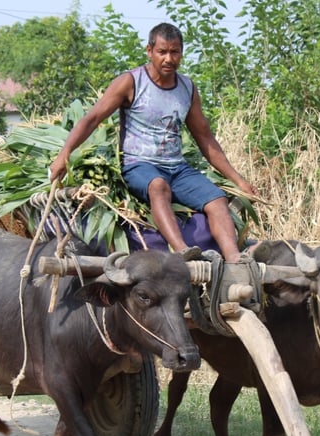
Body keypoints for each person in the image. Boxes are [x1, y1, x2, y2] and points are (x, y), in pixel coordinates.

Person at [49, 22, 258, 262]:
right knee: (158, 186)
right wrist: (64, 155)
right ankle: (182, 251)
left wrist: (239, 181)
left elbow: (205, 137)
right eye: (162, 52)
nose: (169, 58)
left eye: (175, 52)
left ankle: (234, 258)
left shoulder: (187, 88)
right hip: (139, 165)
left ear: (181, 53)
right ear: (150, 51)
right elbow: (92, 118)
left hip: (177, 168)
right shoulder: (132, 82)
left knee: (217, 199)